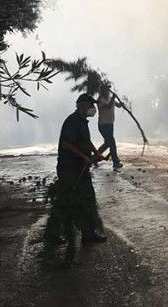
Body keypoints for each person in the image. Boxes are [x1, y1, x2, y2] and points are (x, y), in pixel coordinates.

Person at [55, 93, 107, 244]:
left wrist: (96, 153)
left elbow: (86, 141)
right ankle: (56, 234)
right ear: (82, 104)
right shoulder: (73, 121)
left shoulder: (82, 122)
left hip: (80, 168)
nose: (93, 108)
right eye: (91, 105)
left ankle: (87, 234)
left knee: (85, 199)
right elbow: (66, 144)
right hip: (70, 168)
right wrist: (84, 157)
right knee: (70, 201)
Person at [96, 85, 123, 171]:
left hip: (110, 124)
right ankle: (116, 162)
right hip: (103, 125)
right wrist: (113, 98)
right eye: (106, 90)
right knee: (112, 143)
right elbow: (108, 107)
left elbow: (117, 105)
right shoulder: (100, 100)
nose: (108, 91)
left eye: (108, 90)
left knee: (108, 143)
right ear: (103, 91)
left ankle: (94, 158)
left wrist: (122, 104)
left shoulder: (110, 98)